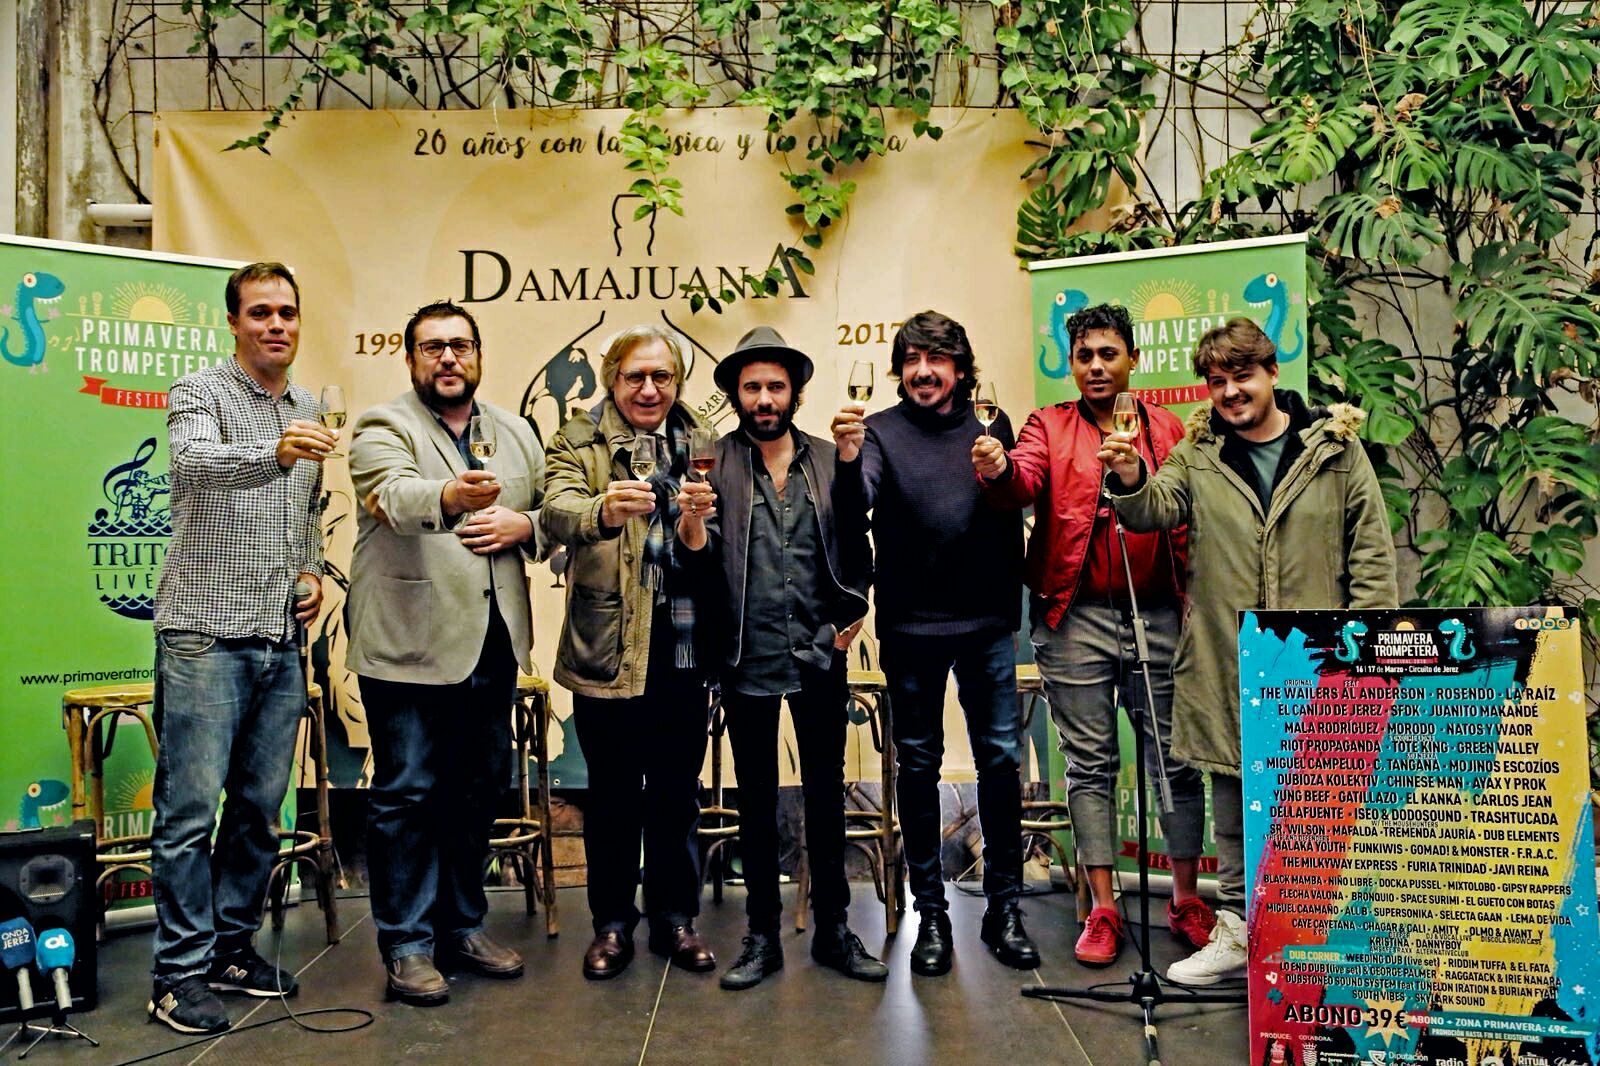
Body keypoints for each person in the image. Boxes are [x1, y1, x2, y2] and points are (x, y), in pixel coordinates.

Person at [1102, 316, 1397, 984]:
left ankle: (1320, 941)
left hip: (1322, 660)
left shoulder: (1334, 449)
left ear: (1271, 373)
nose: (1231, 391)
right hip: (1228, 658)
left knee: (1321, 802)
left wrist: (1364, 650)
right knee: (1234, 802)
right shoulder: (1198, 452)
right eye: (1217, 381)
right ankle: (1236, 931)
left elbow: (1372, 555)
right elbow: (1152, 509)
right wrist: (1128, 474)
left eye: (1242, 376)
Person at [973, 303, 1214, 967]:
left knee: (1176, 760)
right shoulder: (1048, 424)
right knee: (1089, 764)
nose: (1097, 366)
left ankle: (1187, 898)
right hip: (1074, 616)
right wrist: (997, 470)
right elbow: (1022, 481)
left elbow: (1189, 512)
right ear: (1072, 364)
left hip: (1158, 612)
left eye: (1109, 354)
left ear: (1134, 359)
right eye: (1085, 356)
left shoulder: (1168, 427)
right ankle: (1103, 907)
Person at [148, 262, 332, 1034]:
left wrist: (311, 569)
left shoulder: (308, 406)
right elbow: (192, 465)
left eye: (287, 311)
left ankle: (230, 949)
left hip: (277, 639)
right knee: (189, 814)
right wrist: (275, 453)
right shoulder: (200, 393)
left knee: (258, 811)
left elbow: (308, 511)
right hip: (203, 634)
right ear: (233, 322)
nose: (276, 324)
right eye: (260, 312)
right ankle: (175, 974)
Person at [347, 300, 544, 1005]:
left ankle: (462, 926)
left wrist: (527, 525)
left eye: (461, 345)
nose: (449, 357)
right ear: (410, 359)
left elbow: (550, 511)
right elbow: (394, 498)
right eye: (433, 347)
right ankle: (406, 945)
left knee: (476, 791)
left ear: (479, 355)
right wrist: (452, 495)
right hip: (406, 644)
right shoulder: (381, 426)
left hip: (491, 643)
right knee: (406, 795)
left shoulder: (515, 431)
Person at [679, 327, 887, 991]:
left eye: (775, 386)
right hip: (746, 655)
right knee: (757, 800)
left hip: (819, 652)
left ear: (794, 392)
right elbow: (696, 562)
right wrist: (690, 523)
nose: (764, 398)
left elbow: (856, 544)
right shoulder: (711, 462)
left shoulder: (829, 458)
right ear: (736, 395)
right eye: (752, 387)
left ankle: (834, 931)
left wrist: (849, 615)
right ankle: (762, 936)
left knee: (825, 795)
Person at [831, 310, 1036, 977]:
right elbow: (854, 508)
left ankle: (1005, 908)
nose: (923, 371)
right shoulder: (879, 433)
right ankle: (932, 915)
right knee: (917, 766)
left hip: (987, 623)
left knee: (1000, 762)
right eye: (912, 359)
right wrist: (846, 460)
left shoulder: (991, 424)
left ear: (959, 367)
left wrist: (999, 472)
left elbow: (1012, 501)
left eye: (936, 359)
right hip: (912, 626)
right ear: (900, 370)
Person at [541, 324, 716, 980]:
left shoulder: (701, 438)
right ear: (613, 379)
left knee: (676, 794)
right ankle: (612, 924)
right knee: (612, 795)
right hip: (608, 647)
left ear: (677, 382)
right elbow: (554, 512)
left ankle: (675, 919)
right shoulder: (577, 438)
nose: (649, 389)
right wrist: (602, 512)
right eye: (635, 376)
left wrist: (700, 524)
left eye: (661, 377)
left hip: (684, 643)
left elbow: (719, 538)